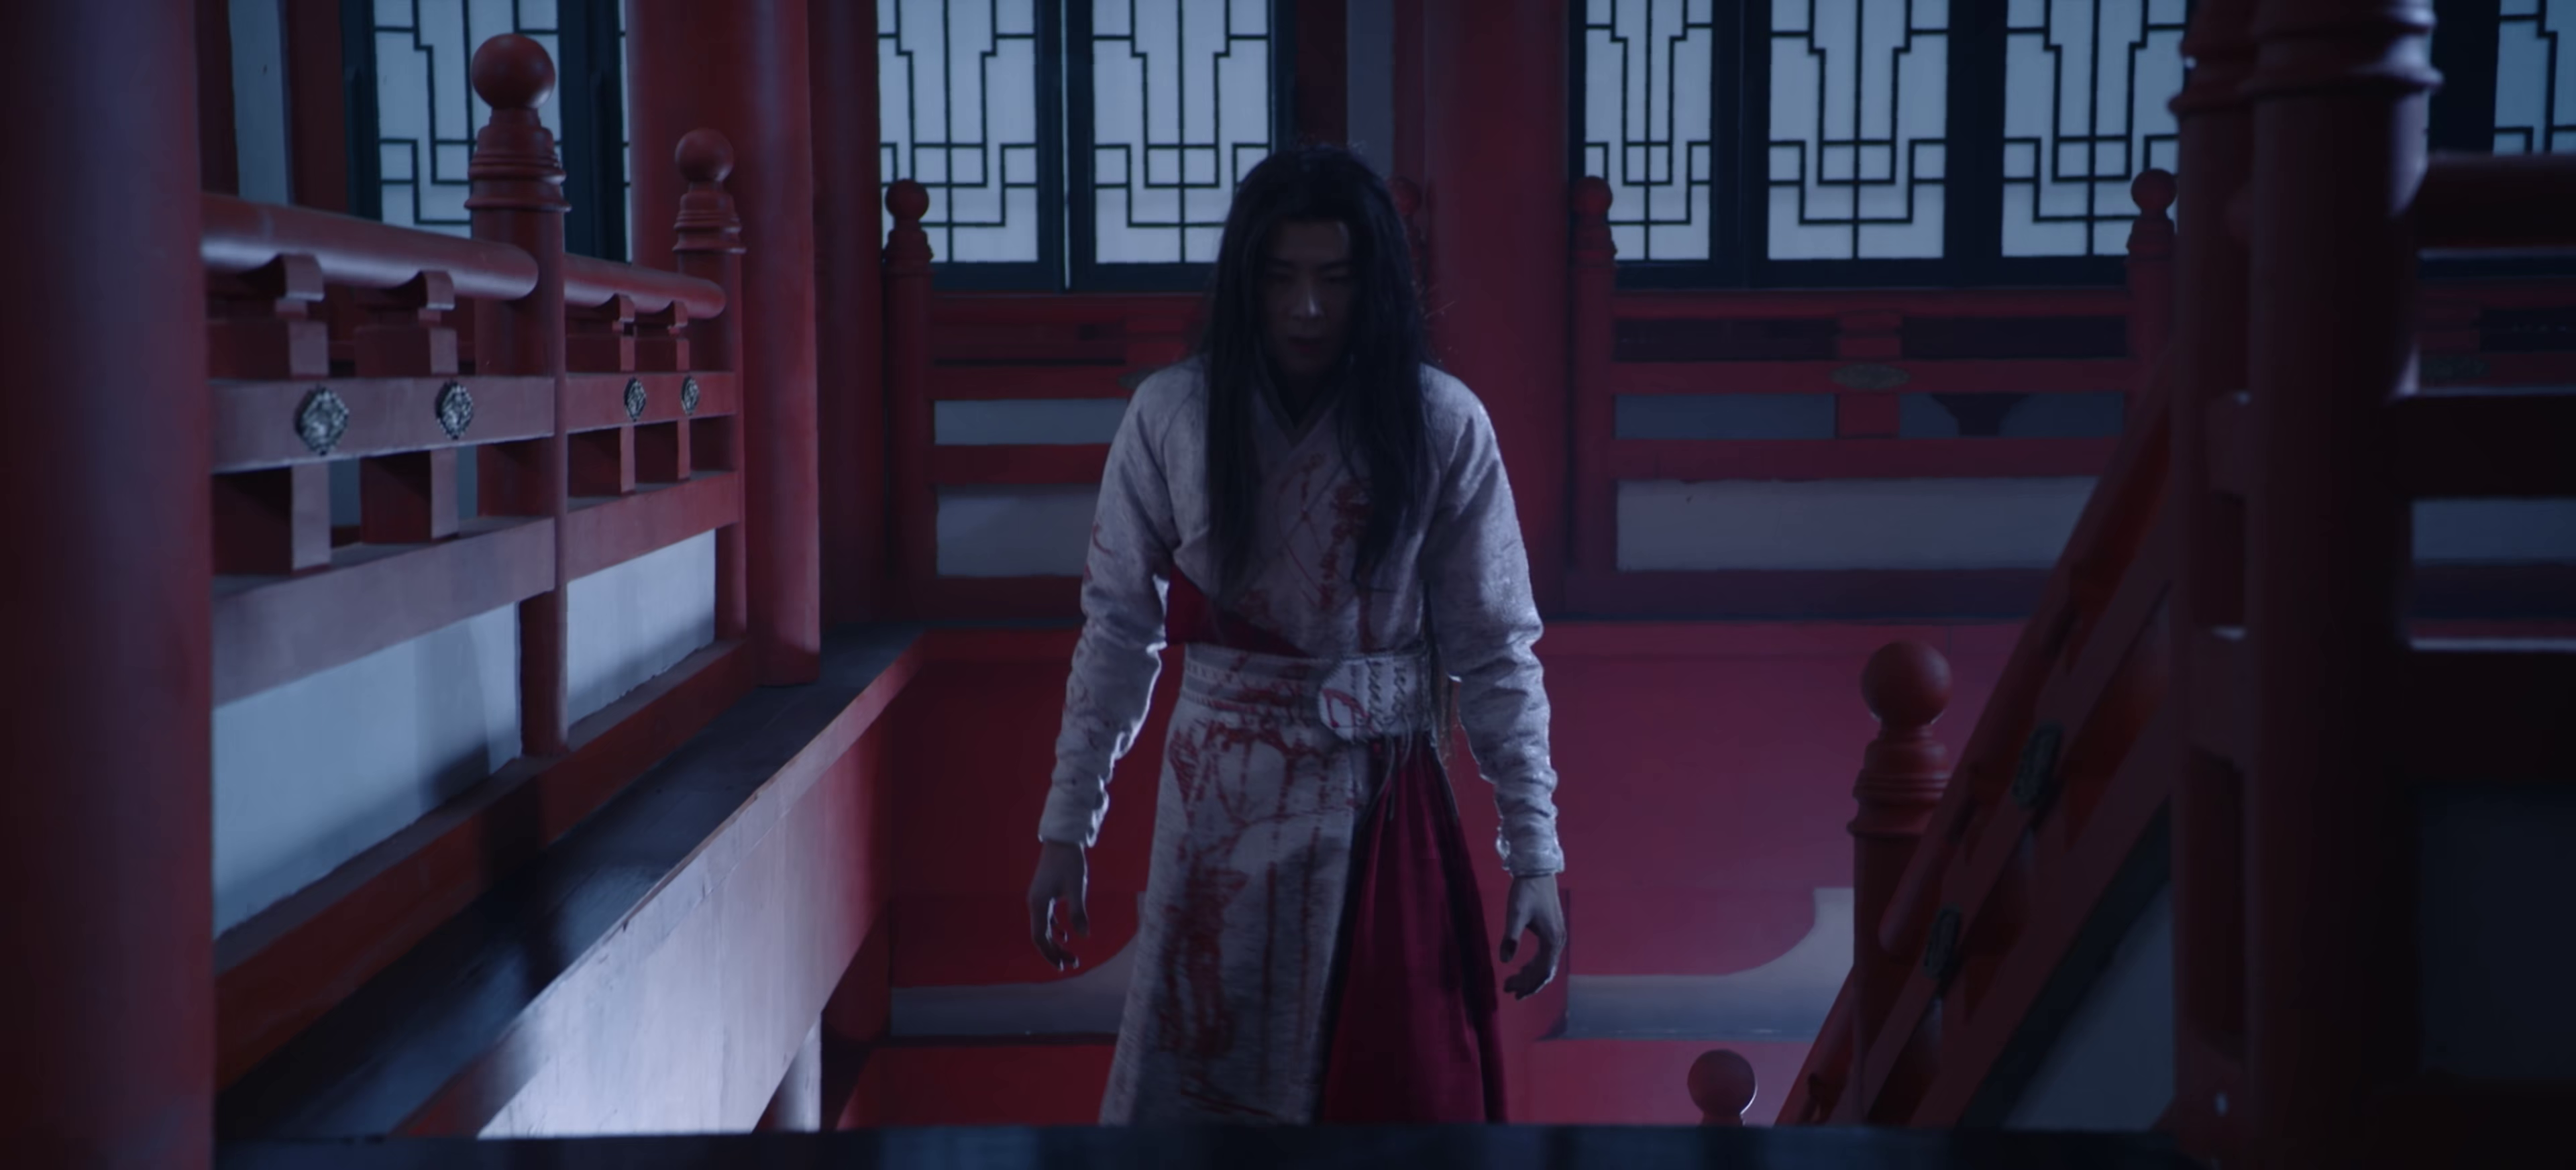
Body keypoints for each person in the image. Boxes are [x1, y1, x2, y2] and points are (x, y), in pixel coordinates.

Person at [1024, 144, 1566, 1126]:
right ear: (1246, 281)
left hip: (1381, 802)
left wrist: (1535, 852)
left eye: (1335, 279)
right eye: (1280, 279)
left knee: (1394, 1092)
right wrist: (1069, 824)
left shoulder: (1441, 423)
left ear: (1377, 284)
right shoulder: (1171, 415)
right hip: (1217, 802)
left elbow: (1494, 649)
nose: (1307, 308)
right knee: (1202, 1090)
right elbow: (1118, 629)